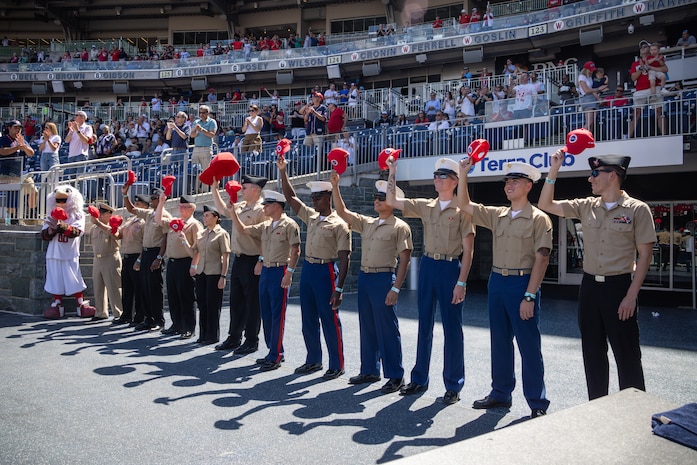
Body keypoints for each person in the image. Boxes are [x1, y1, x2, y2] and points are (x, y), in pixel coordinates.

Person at [538, 151, 656, 400]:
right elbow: (546, 205)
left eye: (595, 174)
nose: (590, 180)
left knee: (627, 354)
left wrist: (631, 296)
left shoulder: (637, 210)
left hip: (620, 288)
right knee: (592, 352)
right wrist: (554, 170)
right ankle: (596, 406)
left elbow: (644, 255)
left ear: (612, 175)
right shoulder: (586, 206)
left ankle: (633, 407)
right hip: (590, 287)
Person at [457, 159, 552, 419]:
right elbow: (464, 204)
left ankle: (537, 401)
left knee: (528, 344)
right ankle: (500, 393)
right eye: (508, 181)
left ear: (529, 186)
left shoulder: (539, 219)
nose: (509, 185)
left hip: (523, 284)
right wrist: (463, 174)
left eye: (516, 181)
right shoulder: (498, 214)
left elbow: (542, 259)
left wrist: (530, 296)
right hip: (497, 281)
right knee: (499, 342)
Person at [385, 157, 474, 405]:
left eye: (443, 176)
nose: (437, 179)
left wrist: (462, 282)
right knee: (424, 324)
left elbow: (469, 250)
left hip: (449, 268)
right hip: (429, 265)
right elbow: (392, 200)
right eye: (436, 176)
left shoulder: (463, 209)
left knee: (452, 329)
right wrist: (393, 171)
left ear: (455, 181)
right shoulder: (427, 205)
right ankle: (419, 378)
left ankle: (453, 384)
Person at [331, 173, 413, 394]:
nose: (376, 201)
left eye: (382, 198)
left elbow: (405, 259)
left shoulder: (400, 227)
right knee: (366, 326)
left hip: (384, 279)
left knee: (387, 329)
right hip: (366, 278)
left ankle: (396, 375)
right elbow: (342, 213)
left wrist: (396, 288)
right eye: (376, 198)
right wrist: (335, 186)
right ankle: (370, 369)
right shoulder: (368, 223)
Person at [278, 157, 351, 381]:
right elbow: (290, 198)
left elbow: (345, 257)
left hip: (326, 271)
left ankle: (337, 363)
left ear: (329, 197)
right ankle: (313, 359)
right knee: (307, 318)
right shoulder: (311, 216)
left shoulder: (339, 224)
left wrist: (339, 289)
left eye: (318, 197)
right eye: (312, 197)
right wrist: (283, 171)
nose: (314, 201)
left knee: (329, 318)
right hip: (309, 269)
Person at [226, 188, 301, 371]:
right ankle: (272, 351)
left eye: (266, 205)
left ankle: (276, 355)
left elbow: (295, 250)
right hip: (266, 270)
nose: (264, 208)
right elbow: (243, 230)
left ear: (276, 206)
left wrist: (289, 273)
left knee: (277, 314)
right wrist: (233, 213)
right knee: (266, 313)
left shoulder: (289, 224)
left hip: (279, 270)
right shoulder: (266, 225)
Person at [212, 175, 268, 354]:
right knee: (236, 300)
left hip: (253, 260)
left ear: (255, 190)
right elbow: (222, 209)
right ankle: (234, 337)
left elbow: (266, 238)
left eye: (244, 188)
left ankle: (251, 340)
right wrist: (214, 188)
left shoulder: (262, 210)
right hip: (239, 258)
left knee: (252, 303)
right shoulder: (241, 206)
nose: (241, 190)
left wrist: (261, 260)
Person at [41, 186, 97, 319]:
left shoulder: (77, 214)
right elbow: (44, 235)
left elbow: (76, 232)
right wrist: (51, 229)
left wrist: (61, 226)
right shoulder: (51, 214)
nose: (61, 203)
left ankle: (80, 304)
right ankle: (57, 303)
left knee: (73, 277)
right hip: (54, 252)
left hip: (70, 252)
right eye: (58, 200)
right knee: (55, 278)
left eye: (63, 200)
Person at [155, 194, 203, 339]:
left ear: (192, 208)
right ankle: (176, 324)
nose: (181, 209)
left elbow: (198, 248)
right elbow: (158, 220)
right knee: (173, 295)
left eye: (184, 207)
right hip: (173, 262)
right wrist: (161, 202)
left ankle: (188, 327)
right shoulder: (174, 222)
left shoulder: (194, 225)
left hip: (185, 262)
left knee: (186, 296)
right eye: (180, 206)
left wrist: (194, 265)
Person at [121, 184, 169, 332]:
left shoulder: (165, 216)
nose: (152, 201)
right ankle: (148, 318)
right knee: (145, 288)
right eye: (152, 198)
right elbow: (131, 209)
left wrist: (160, 257)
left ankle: (158, 320)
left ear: (161, 200)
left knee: (155, 289)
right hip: (146, 252)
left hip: (155, 253)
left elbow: (165, 238)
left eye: (154, 198)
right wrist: (125, 194)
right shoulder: (149, 214)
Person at [181, 205, 230, 345]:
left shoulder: (222, 234)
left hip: (214, 273)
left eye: (208, 215)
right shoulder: (201, 234)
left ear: (216, 217)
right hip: (201, 272)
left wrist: (223, 276)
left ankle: (213, 335)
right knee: (202, 304)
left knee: (213, 305)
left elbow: (225, 256)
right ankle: (203, 334)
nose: (205, 218)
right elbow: (193, 252)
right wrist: (184, 240)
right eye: (204, 215)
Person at [112, 194, 148, 326]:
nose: (136, 206)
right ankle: (126, 314)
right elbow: (118, 235)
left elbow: (145, 243)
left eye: (139, 204)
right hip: (126, 256)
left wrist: (139, 259)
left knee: (138, 289)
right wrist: (114, 228)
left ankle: (139, 317)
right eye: (135, 203)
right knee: (127, 288)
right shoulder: (130, 220)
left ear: (145, 206)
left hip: (136, 256)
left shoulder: (144, 222)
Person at [88, 202, 124, 322]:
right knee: (98, 287)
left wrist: (98, 223)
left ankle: (119, 312)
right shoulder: (94, 228)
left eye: (102, 213)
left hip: (110, 258)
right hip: (98, 259)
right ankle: (101, 312)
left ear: (108, 214)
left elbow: (115, 235)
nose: (98, 216)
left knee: (113, 286)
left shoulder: (113, 226)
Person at [629, 41, 667, 137]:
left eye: (645, 46)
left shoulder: (655, 60)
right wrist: (642, 68)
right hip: (640, 89)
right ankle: (628, 137)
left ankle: (664, 135)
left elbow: (665, 69)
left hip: (655, 87)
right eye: (641, 47)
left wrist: (650, 67)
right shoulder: (635, 63)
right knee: (636, 113)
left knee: (659, 111)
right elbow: (633, 78)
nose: (642, 48)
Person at [190, 105, 217, 192]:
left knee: (206, 170)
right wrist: (196, 131)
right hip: (196, 148)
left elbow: (211, 135)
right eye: (200, 113)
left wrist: (202, 130)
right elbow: (192, 135)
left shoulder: (212, 122)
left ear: (208, 113)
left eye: (203, 113)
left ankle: (205, 190)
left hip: (206, 148)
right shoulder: (196, 122)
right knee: (196, 170)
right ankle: (196, 189)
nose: (201, 114)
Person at [303, 92, 328, 159]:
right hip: (309, 131)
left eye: (316, 97)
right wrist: (307, 113)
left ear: (320, 99)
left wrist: (314, 112)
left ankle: (318, 164)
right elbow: (305, 120)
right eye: (313, 97)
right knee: (306, 148)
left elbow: (323, 119)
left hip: (318, 131)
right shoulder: (310, 107)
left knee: (318, 150)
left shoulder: (323, 108)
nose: (314, 98)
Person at [578, 61, 600, 134]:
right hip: (587, 98)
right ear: (586, 69)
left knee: (592, 122)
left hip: (592, 98)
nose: (592, 71)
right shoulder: (582, 77)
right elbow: (586, 90)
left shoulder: (589, 78)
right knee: (589, 121)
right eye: (590, 70)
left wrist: (598, 98)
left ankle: (588, 137)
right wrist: (598, 89)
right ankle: (580, 136)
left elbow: (591, 90)